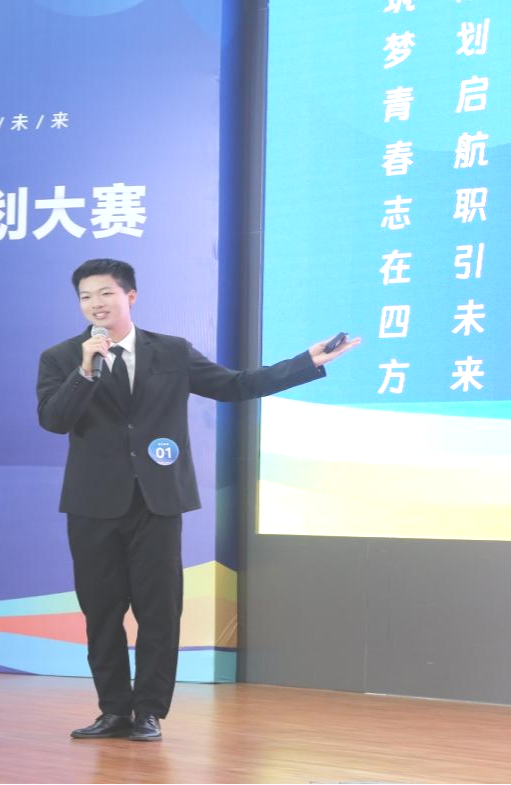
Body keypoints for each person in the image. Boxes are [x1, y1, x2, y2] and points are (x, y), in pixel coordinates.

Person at [36, 258, 359, 742]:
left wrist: (305, 363)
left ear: (130, 296)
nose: (95, 304)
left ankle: (149, 711)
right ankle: (113, 711)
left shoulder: (170, 351)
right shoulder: (62, 357)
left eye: (105, 293)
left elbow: (235, 386)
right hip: (92, 505)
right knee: (101, 612)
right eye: (86, 296)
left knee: (159, 611)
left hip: (158, 501)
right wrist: (86, 370)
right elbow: (53, 420)